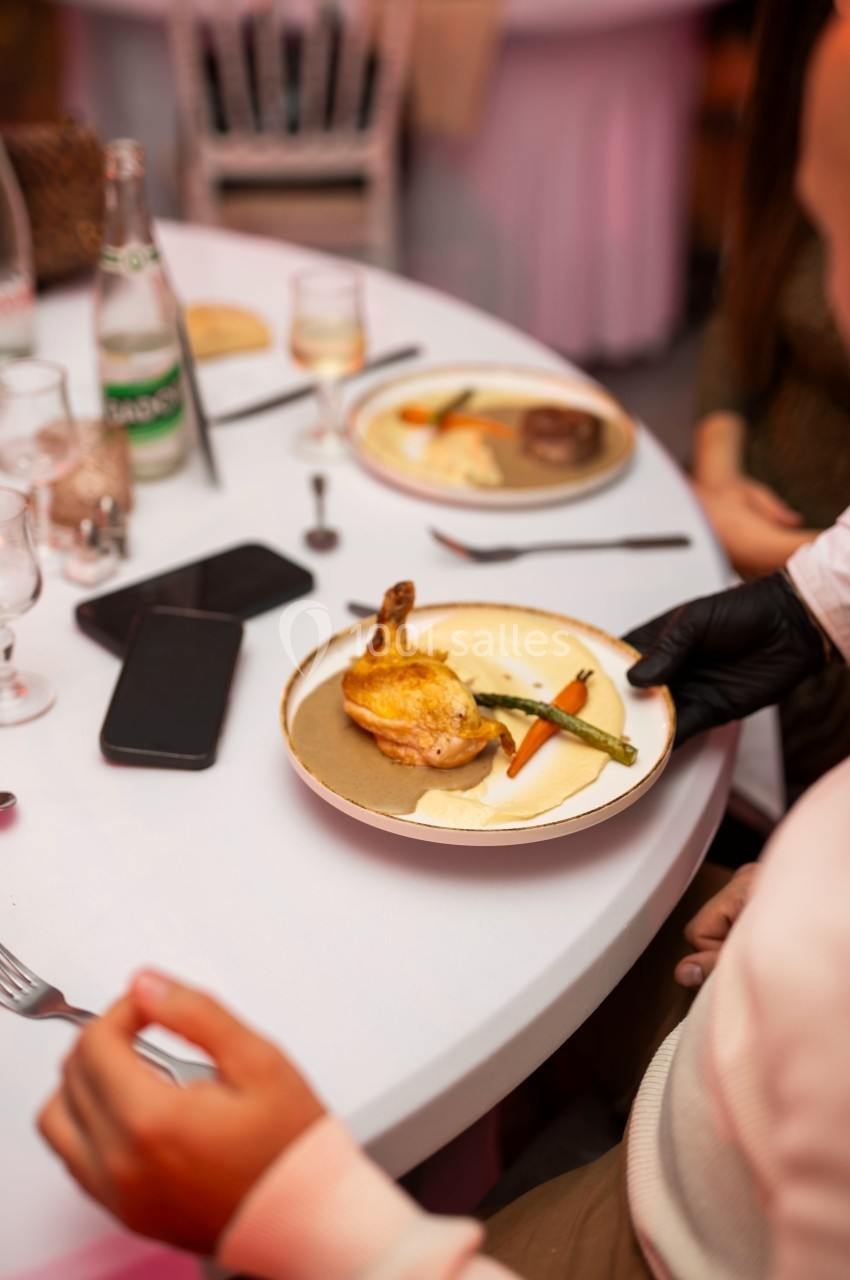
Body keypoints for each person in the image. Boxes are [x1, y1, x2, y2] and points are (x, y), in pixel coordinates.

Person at [35, 13, 850, 1278]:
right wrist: (816, 602)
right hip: (750, 1008)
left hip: (681, 1219)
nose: (823, 299)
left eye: (844, 245)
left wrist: (295, 1209)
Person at [689, 0, 850, 803]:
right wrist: (717, 471)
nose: (832, 289)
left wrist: (776, 557)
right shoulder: (816, 54)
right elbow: (746, 291)